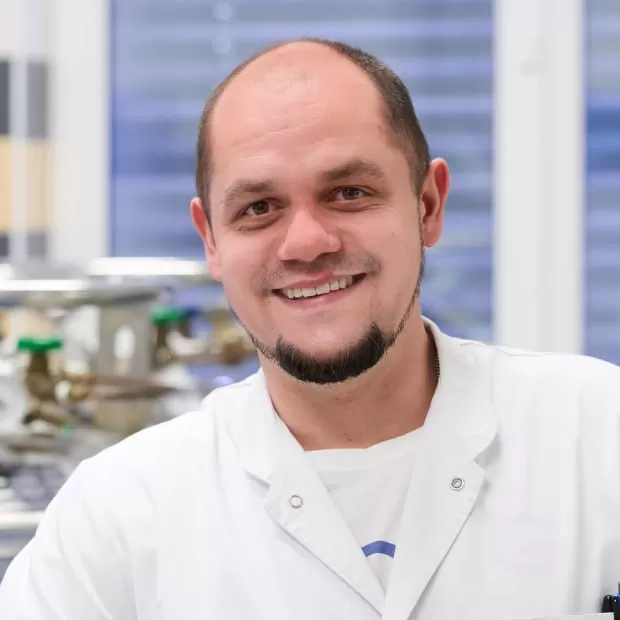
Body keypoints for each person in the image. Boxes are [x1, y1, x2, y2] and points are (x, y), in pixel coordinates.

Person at [1, 38, 619, 620]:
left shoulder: (598, 435)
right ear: (211, 240)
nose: (306, 242)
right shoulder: (115, 517)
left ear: (428, 204)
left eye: (348, 192)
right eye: (258, 208)